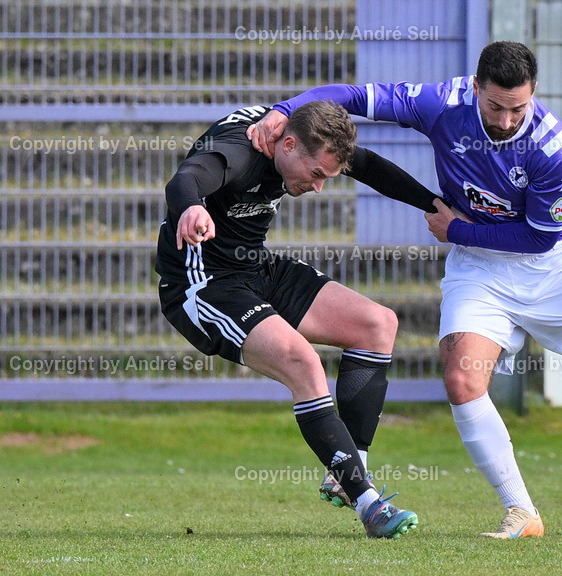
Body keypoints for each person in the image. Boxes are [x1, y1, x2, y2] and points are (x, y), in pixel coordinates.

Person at [247, 41, 562, 539]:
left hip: (555, 266)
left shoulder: (553, 148)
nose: (505, 120)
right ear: (475, 88)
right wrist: (284, 111)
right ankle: (522, 513)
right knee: (463, 382)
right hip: (480, 269)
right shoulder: (442, 104)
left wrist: (457, 231)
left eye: (517, 107)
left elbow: (539, 236)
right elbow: (350, 95)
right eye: (495, 106)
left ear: (534, 93)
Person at [156, 100, 433, 539]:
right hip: (203, 284)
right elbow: (187, 177)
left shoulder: (305, 133)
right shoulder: (243, 152)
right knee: (303, 362)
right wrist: (190, 208)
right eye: (317, 176)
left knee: (377, 324)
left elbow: (371, 167)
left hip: (254, 269)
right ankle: (369, 505)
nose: (320, 187)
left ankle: (347, 469)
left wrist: (434, 204)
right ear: (286, 145)